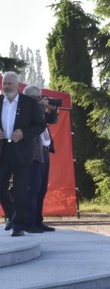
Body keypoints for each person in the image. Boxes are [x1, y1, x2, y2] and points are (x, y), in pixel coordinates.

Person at [0, 71, 47, 236]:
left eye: (9, 84)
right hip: (3, 149)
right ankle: (13, 214)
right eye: (4, 84)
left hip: (21, 150)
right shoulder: (0, 102)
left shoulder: (29, 103)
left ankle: (18, 226)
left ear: (18, 86)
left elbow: (40, 125)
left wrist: (23, 133)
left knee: (21, 189)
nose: (6, 87)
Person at [21, 85, 58, 233]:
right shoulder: (26, 109)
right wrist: (40, 106)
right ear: (31, 98)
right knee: (33, 188)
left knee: (42, 189)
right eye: (38, 97)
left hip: (45, 151)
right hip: (34, 153)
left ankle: (37, 220)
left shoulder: (39, 109)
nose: (42, 99)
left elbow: (52, 120)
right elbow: (34, 121)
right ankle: (28, 222)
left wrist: (52, 108)